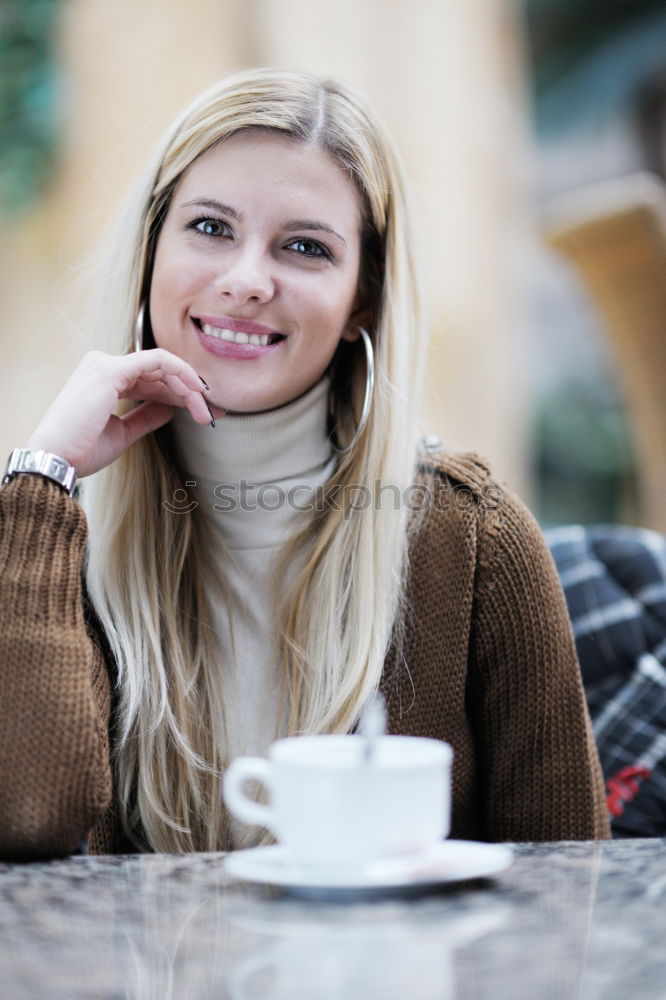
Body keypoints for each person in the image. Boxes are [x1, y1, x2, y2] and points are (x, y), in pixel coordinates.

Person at [0, 68, 610, 860]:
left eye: (304, 247)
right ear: (152, 250)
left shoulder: (471, 542)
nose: (246, 280)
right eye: (211, 228)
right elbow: (22, 819)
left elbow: (574, 901)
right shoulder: (52, 541)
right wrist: (42, 477)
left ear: (363, 298)